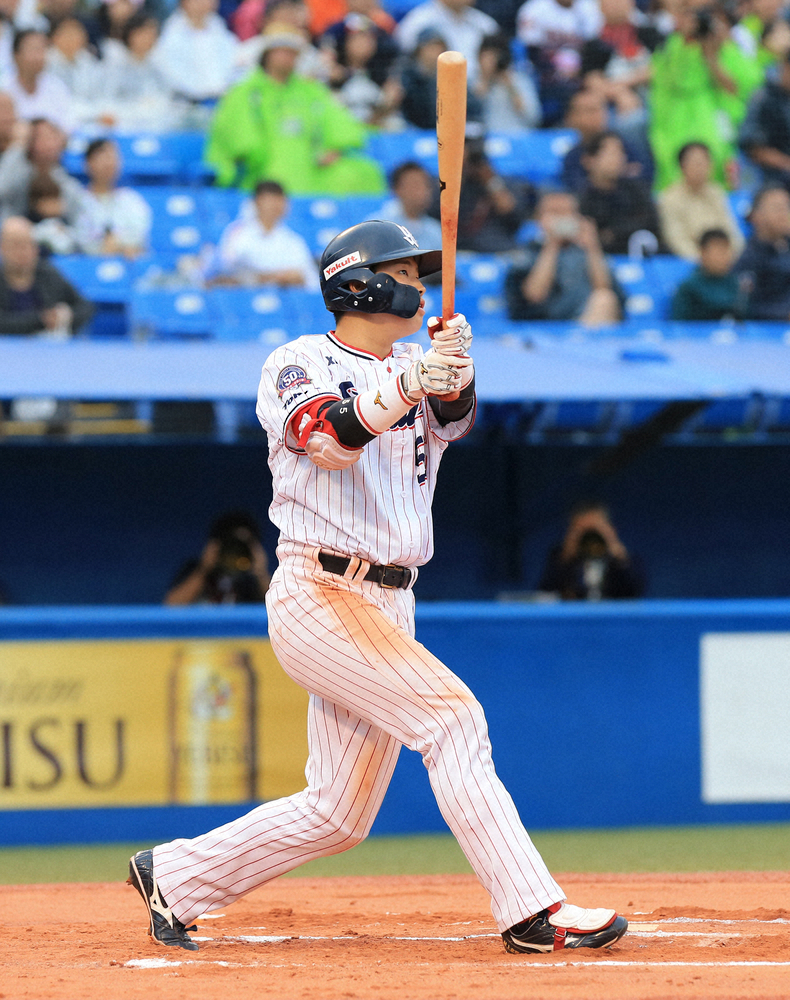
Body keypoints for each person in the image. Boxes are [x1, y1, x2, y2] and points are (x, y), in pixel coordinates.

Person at [127, 217, 628, 957]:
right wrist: (410, 379)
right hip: (320, 589)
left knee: (338, 814)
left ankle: (174, 876)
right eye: (404, 274)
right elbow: (328, 440)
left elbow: (453, 420)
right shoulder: (296, 360)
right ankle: (532, 912)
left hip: (391, 599)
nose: (419, 288)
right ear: (357, 283)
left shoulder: (413, 365)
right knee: (453, 721)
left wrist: (455, 371)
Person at [205, 27, 385, 194]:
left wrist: (334, 148)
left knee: (365, 173)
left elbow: (337, 121)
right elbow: (237, 133)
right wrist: (253, 153)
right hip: (263, 165)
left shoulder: (310, 91)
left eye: (292, 53)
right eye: (282, 52)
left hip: (310, 166)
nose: (288, 58)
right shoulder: (246, 91)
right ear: (268, 54)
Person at [649, 3, 764, 191]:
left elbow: (740, 89)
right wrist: (686, 39)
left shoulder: (727, 49)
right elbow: (670, 80)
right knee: (676, 156)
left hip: (713, 115)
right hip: (675, 118)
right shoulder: (675, 45)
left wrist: (712, 56)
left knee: (716, 152)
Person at [505, 188, 623, 326]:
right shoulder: (528, 252)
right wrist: (552, 246)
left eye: (567, 213)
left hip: (587, 325)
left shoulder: (586, 251)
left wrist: (593, 247)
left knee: (604, 299)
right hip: (542, 326)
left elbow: (605, 290)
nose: (562, 219)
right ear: (539, 219)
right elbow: (535, 295)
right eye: (555, 213)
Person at [208, 179, 319, 288]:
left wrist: (292, 278)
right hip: (244, 294)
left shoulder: (293, 241)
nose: (275, 206)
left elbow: (310, 280)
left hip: (283, 295)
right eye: (270, 200)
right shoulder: (238, 233)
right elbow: (224, 269)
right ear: (257, 202)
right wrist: (267, 277)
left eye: (279, 200)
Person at [0, 214, 92, 334]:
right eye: (16, 245)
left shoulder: (48, 274)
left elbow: (85, 307)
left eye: (28, 245)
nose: (22, 252)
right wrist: (41, 320)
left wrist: (64, 317)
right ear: (3, 247)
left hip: (47, 343)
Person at [516, 0, 604, 123]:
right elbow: (530, 52)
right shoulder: (534, 9)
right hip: (545, 75)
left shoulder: (589, 7)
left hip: (580, 74)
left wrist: (581, 71)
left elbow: (595, 50)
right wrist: (556, 68)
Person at [578, 130, 663, 255]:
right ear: (590, 160)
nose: (618, 158)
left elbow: (651, 221)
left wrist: (614, 232)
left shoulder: (635, 189)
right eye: (611, 153)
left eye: (621, 152)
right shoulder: (582, 198)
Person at [658, 141, 744, 261]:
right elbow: (676, 239)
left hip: (724, 259)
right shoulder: (669, 199)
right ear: (682, 166)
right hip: (693, 261)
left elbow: (730, 229)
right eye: (696, 163)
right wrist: (704, 260)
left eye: (705, 162)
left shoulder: (716, 192)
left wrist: (730, 255)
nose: (701, 168)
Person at [539, 501, 644, 600]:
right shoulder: (560, 558)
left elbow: (635, 591)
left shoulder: (624, 560)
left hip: (613, 612)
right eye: (583, 530)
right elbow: (546, 592)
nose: (590, 537)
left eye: (595, 529)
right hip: (577, 612)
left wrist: (619, 556)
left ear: (610, 529)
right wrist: (566, 556)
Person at [164, 510, 270, 605]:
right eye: (229, 544)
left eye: (241, 545)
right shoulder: (196, 570)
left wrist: (261, 574)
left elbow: (278, 608)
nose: (234, 551)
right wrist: (204, 570)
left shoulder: (253, 580)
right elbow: (171, 606)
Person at [560, 87, 652, 193]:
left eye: (601, 109)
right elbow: (576, 189)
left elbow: (644, 176)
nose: (597, 115)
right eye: (590, 110)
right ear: (571, 117)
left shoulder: (624, 145)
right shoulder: (573, 157)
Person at [452, 137, 533, 252]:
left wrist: (490, 181)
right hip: (461, 250)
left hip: (498, 249)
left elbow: (510, 212)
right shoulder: (453, 184)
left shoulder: (504, 183)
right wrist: (457, 174)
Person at [74, 138, 152, 258]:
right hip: (87, 261)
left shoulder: (131, 199)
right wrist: (102, 248)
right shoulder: (77, 199)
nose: (109, 163)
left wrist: (120, 245)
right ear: (87, 163)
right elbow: (77, 236)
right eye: (103, 157)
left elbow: (140, 236)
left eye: (113, 157)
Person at [151, 0, 239, 102]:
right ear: (185, 3)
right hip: (187, 101)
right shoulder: (172, 33)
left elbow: (234, 60)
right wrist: (202, 93)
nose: (205, 3)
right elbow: (171, 74)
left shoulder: (218, 25)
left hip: (222, 97)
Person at [394, 0, 498, 85]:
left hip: (481, 90)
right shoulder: (418, 23)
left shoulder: (486, 25)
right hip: (434, 91)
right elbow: (405, 63)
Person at [0, 117, 83, 223]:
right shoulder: (17, 168)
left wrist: (63, 209)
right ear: (29, 141)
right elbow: (3, 189)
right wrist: (18, 145)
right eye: (43, 137)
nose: (50, 143)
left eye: (53, 136)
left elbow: (79, 214)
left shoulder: (63, 177)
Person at [734, 184, 790, 320]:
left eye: (787, 207)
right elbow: (745, 307)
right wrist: (784, 314)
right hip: (769, 328)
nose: (784, 214)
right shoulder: (749, 258)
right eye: (777, 208)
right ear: (757, 215)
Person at [3, 27, 75, 132]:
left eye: (42, 50)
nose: (39, 56)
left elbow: (69, 124)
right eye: (33, 49)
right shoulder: (3, 88)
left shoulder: (56, 86)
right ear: (16, 55)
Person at [739, 51, 790, 191]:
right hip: (771, 176)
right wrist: (785, 163)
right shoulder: (763, 98)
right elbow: (753, 147)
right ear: (784, 67)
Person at [472, 30, 542, 131]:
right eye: (487, 57)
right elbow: (472, 113)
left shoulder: (521, 80)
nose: (492, 62)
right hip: (486, 137)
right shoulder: (473, 81)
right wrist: (485, 78)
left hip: (518, 135)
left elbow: (533, 117)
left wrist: (510, 86)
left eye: (495, 57)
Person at [671, 227, 746, 321]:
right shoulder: (689, 287)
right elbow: (679, 323)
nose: (722, 257)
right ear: (703, 253)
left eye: (725, 251)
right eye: (717, 251)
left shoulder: (737, 284)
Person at [370, 159, 443, 252]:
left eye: (426, 185)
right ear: (397, 189)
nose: (423, 191)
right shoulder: (376, 226)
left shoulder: (434, 230)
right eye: (415, 185)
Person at [26, 170, 79, 254]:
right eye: (49, 200)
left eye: (56, 199)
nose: (54, 205)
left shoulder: (66, 221)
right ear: (37, 203)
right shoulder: (29, 226)